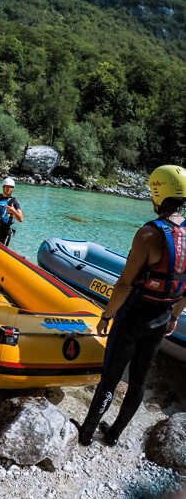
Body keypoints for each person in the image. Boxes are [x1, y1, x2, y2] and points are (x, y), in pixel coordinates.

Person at [74, 164, 186, 447]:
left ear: (158, 193)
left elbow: (124, 284)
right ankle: (114, 436)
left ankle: (87, 434)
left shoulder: (149, 234)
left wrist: (106, 316)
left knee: (110, 379)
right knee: (138, 381)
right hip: (161, 319)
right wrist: (174, 315)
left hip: (133, 317)